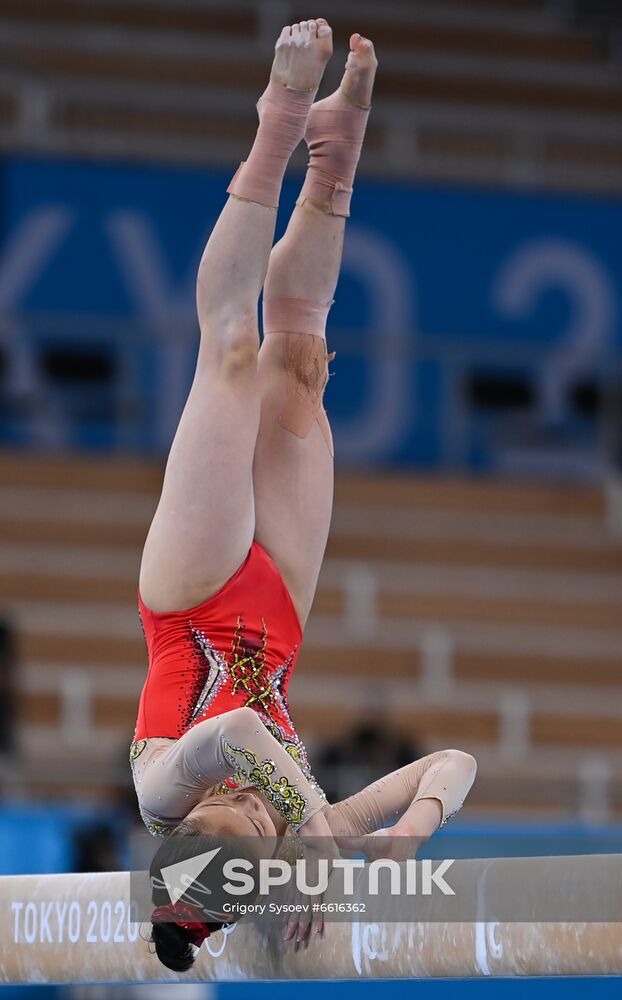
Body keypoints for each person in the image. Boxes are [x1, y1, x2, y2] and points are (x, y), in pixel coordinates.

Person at [129, 19, 477, 971]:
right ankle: (335, 153)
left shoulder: (166, 787)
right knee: (299, 362)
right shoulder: (297, 826)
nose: (244, 806)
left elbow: (237, 727)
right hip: (279, 605)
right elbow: (454, 763)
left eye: (222, 816)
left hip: (191, 598)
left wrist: (312, 830)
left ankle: (278, 117)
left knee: (232, 356)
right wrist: (407, 834)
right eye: (256, 832)